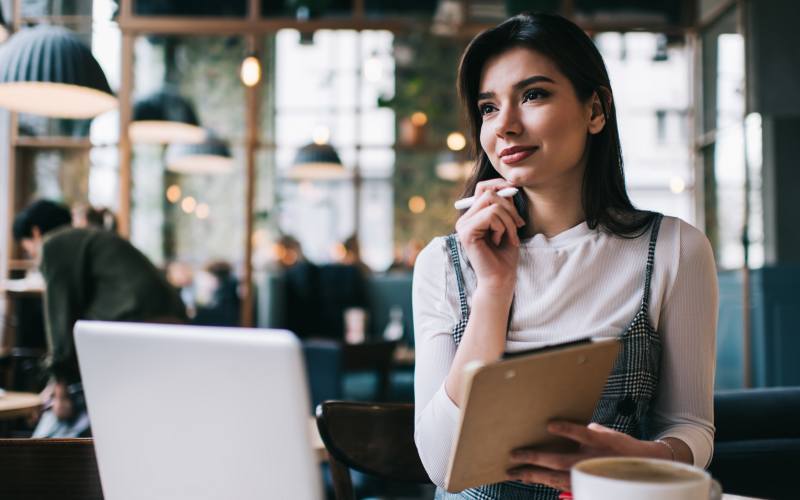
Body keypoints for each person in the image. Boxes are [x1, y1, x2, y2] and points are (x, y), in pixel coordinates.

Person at [412, 12, 717, 500]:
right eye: (489, 107)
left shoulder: (675, 249)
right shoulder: (444, 262)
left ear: (596, 110)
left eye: (533, 95)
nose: (506, 126)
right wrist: (493, 288)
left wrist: (646, 458)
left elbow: (691, 427)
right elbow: (441, 464)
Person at [12, 200, 188, 435]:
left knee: (50, 434)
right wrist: (55, 385)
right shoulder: (92, 239)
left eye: (27, 248)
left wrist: (62, 391)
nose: (33, 256)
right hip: (171, 333)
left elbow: (60, 321)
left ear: (35, 232)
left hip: (137, 338)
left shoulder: (53, 244)